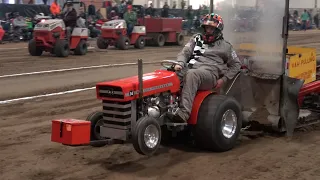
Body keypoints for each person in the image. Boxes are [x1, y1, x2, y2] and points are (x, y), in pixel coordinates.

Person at [170, 13, 241, 123]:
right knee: (167, 74)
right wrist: (180, 63)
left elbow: (236, 64)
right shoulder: (196, 39)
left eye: (211, 28)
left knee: (192, 75)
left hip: (209, 74)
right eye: (206, 28)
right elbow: (185, 53)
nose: (208, 31)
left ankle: (184, 113)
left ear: (218, 30)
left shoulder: (226, 46)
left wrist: (224, 79)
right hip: (190, 69)